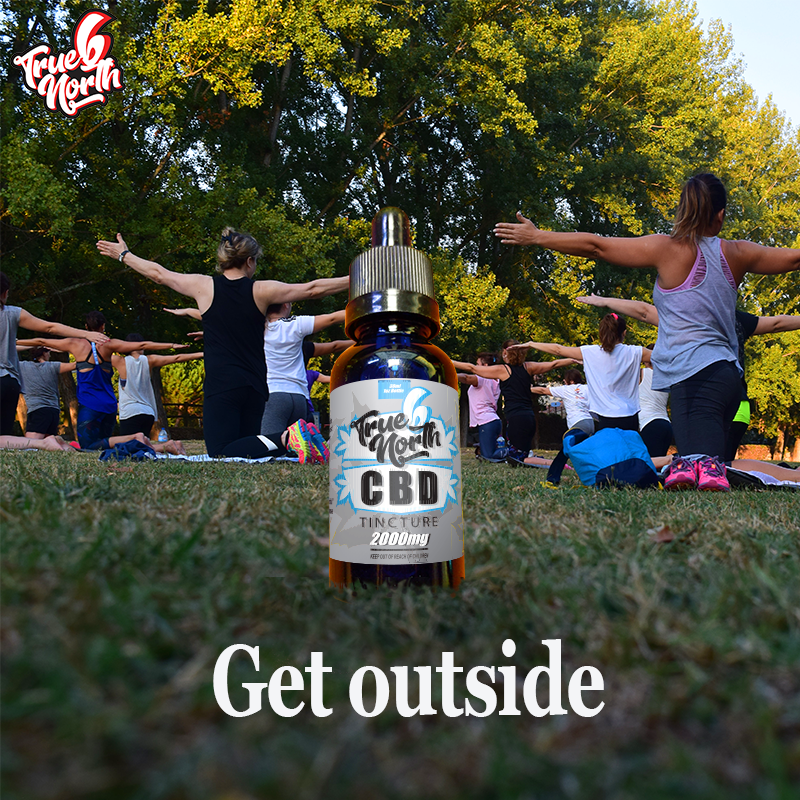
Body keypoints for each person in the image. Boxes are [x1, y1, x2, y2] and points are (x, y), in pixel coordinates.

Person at [495, 173, 800, 489]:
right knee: (709, 464)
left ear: (683, 209)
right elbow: (794, 259)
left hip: (696, 378)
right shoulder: (737, 252)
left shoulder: (667, 249)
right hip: (726, 377)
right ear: (720, 215)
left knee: (709, 467)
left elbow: (597, 246)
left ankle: (793, 478)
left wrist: (538, 236)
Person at [97, 229, 347, 459]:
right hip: (256, 385)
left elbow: (159, 274)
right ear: (249, 261)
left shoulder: (204, 286)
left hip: (224, 383)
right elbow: (313, 289)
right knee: (246, 451)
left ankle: (288, 437)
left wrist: (124, 255)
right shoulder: (261, 290)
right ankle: (291, 439)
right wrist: (354, 277)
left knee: (220, 450)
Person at [576, 293, 800, 459]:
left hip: (702, 399)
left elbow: (644, 311)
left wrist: (605, 301)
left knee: (700, 460)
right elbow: (777, 323)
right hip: (739, 402)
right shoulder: (737, 318)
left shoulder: (689, 318)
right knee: (723, 462)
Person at [19, 311, 187, 452]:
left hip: (90, 406)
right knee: (105, 446)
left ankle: (135, 438)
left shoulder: (74, 344)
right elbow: (141, 344)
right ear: (103, 327)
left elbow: (41, 341)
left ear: (86, 327)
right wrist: (171, 345)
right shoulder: (110, 344)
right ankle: (160, 446)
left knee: (88, 446)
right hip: (109, 405)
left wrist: (15, 342)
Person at [0, 271, 107, 436]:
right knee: (3, 437)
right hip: (10, 382)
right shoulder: (13, 313)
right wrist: (86, 334)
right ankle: (50, 443)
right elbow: (50, 327)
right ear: (5, 293)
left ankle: (45, 444)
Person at [510, 314, 652, 432]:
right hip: (630, 416)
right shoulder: (636, 352)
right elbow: (661, 357)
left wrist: (531, 344)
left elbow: (558, 349)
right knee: (629, 453)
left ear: (602, 333)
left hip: (605, 417)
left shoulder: (590, 352)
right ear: (624, 333)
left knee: (609, 454)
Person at [452, 342, 577, 463]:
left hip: (516, 418)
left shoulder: (503, 370)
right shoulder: (528, 367)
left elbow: (471, 368)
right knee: (521, 455)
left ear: (505, 353)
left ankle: (556, 464)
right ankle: (551, 462)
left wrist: (448, 362)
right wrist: (574, 359)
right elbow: (554, 364)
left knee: (517, 457)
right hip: (530, 417)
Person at [261, 304, 345, 436]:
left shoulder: (257, 329)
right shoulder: (295, 324)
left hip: (273, 394)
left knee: (270, 443)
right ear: (285, 305)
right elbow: (332, 319)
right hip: (299, 397)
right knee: (298, 446)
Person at [116, 333, 204, 443]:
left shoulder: (120, 361)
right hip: (148, 412)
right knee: (143, 446)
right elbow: (177, 358)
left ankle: (170, 447)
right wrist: (203, 353)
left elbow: (103, 351)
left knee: (128, 447)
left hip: (129, 411)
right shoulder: (150, 360)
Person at [530, 368, 594, 485]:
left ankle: (552, 479)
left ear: (569, 381)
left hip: (578, 424)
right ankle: (591, 477)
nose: (564, 381)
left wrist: (527, 388)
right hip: (590, 423)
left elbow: (543, 390)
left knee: (564, 451)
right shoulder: (587, 388)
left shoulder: (566, 389)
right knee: (583, 452)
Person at [457, 352, 506, 462]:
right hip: (493, 421)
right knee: (486, 453)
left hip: (487, 421)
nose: (476, 367)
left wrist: (450, 374)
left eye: (477, 364)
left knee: (488, 456)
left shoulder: (482, 379)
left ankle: (513, 452)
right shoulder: (496, 380)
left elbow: (466, 378)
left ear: (485, 366)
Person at [19, 346, 77, 439]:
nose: (49, 356)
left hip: (37, 409)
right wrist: (62, 349)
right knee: (49, 442)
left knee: (32, 443)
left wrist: (30, 344)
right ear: (44, 354)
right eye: (49, 353)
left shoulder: (22, 366)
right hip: (54, 411)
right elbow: (77, 364)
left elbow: (6, 353)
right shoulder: (53, 366)